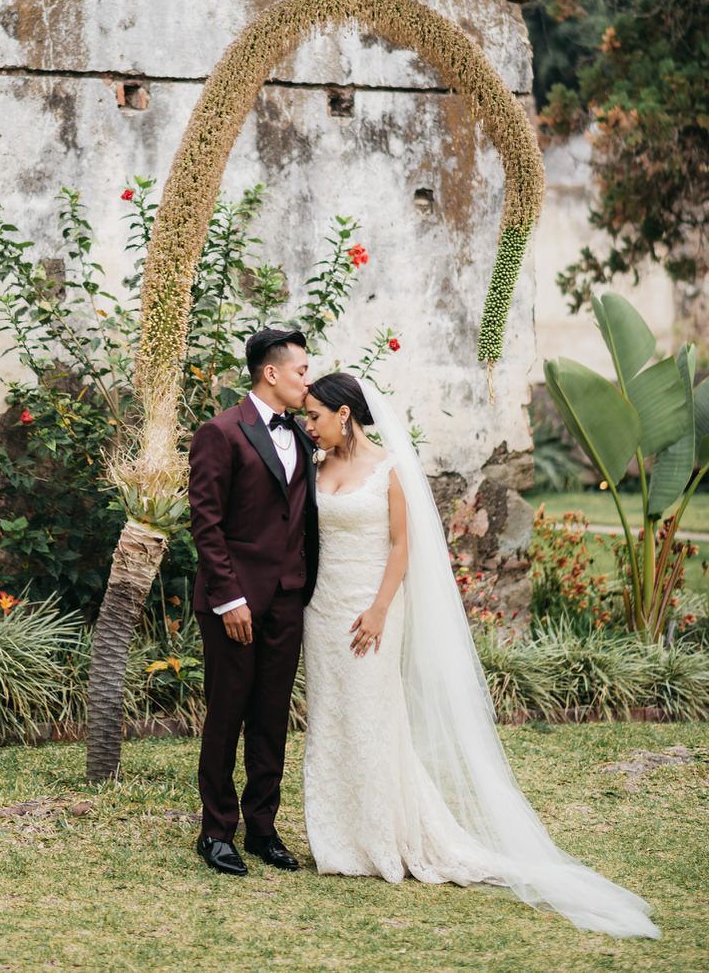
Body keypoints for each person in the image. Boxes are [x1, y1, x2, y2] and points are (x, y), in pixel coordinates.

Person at [300, 370, 660, 938]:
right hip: (320, 612)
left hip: (371, 609)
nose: (308, 426)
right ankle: (337, 837)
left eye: (315, 416)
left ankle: (382, 835)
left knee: (373, 714)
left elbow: (401, 545)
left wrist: (379, 609)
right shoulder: (316, 469)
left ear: (344, 415)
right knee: (331, 715)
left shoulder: (390, 468)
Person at [188, 325, 318, 876]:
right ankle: (217, 831)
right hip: (234, 605)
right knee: (226, 714)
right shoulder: (221, 432)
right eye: (301, 371)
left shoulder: (306, 436)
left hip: (288, 599)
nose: (307, 380)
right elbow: (207, 524)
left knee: (270, 718)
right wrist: (229, 598)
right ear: (272, 373)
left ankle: (263, 827)